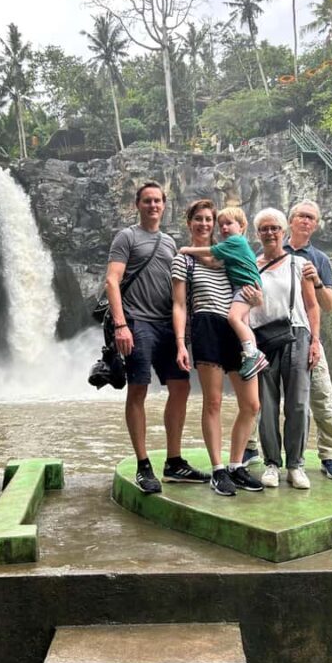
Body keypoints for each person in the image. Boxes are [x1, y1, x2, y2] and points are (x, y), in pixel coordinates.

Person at [105, 181, 210, 494]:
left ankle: (174, 461)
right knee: (138, 389)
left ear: (165, 206)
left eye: (158, 201)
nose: (153, 205)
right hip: (137, 323)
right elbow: (112, 281)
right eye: (147, 201)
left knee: (181, 387)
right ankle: (142, 464)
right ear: (137, 205)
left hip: (167, 325)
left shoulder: (169, 243)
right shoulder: (127, 236)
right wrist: (121, 325)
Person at [172, 199, 263, 496]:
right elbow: (179, 304)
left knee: (252, 404)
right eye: (198, 219)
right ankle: (218, 469)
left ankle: (237, 465)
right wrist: (180, 344)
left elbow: (248, 285)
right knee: (213, 402)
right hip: (207, 325)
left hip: (236, 328)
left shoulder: (228, 254)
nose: (205, 224)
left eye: (209, 219)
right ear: (190, 223)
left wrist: (257, 299)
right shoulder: (183, 259)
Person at [248, 208, 321, 490]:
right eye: (264, 228)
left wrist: (315, 341)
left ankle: (296, 465)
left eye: (274, 228)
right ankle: (271, 464)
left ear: (283, 231)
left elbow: (313, 305)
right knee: (266, 404)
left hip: (297, 334)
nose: (270, 233)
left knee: (299, 403)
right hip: (263, 337)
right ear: (258, 233)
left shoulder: (298, 264)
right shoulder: (251, 266)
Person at [284, 200, 332, 480]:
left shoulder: (319, 258)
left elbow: (330, 304)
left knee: (322, 396)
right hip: (272, 335)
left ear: (316, 225)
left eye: (311, 218)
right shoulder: (272, 250)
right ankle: (253, 450)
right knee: (263, 399)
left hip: (309, 336)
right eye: (301, 216)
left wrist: (318, 281)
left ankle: (330, 454)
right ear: (290, 220)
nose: (306, 221)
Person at [180, 206, 267, 381]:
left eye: (229, 223)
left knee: (233, 318)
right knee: (243, 322)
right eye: (221, 225)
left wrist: (186, 250)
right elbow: (213, 262)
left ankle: (253, 354)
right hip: (243, 288)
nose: (224, 228)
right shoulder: (234, 248)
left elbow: (211, 252)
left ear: (242, 226)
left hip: (245, 288)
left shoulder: (235, 242)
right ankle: (252, 353)